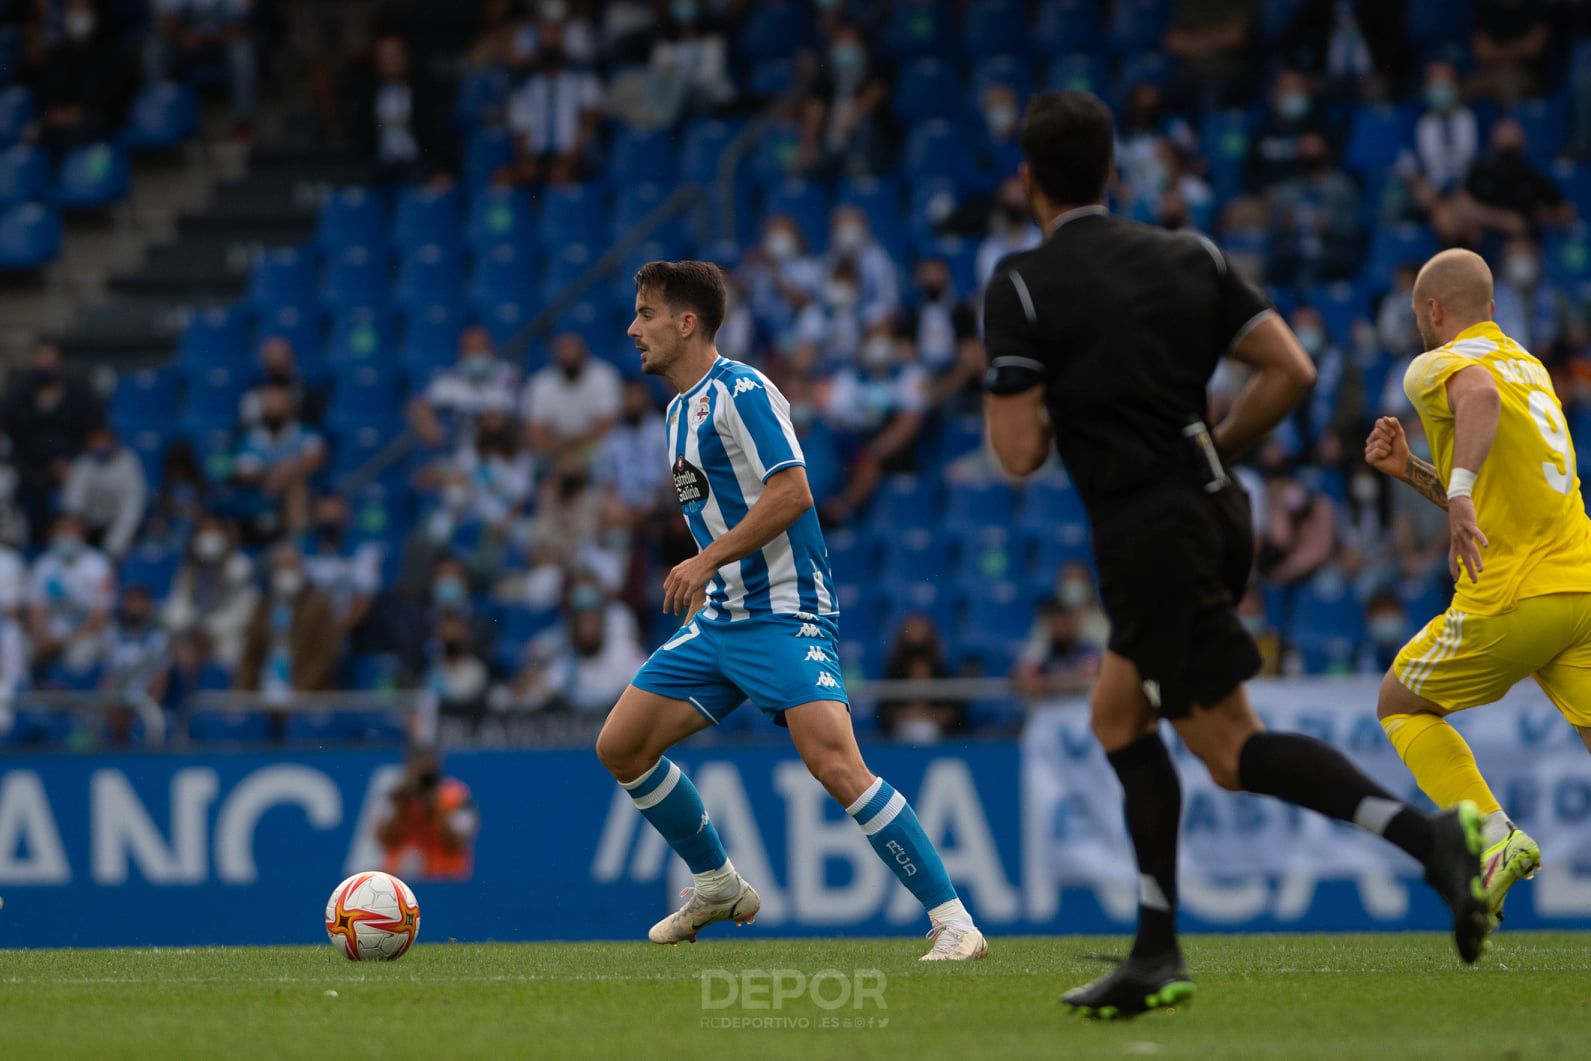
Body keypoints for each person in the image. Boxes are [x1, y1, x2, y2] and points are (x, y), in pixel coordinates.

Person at [981, 91, 1489, 1017]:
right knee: (1117, 719)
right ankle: (1153, 948)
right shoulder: (1189, 253)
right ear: (1112, 173)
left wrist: (1054, 385)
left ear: (1027, 183)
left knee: (1226, 749)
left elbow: (1016, 453)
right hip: (1218, 508)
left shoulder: (1019, 284)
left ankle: (1435, 843)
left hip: (1147, 533)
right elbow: (1289, 369)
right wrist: (1212, 446)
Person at [594, 260, 988, 960]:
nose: (633, 328)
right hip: (721, 619)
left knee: (837, 765)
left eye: (646, 313)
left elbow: (794, 492)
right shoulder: (676, 411)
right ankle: (717, 882)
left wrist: (707, 558)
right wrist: (711, 570)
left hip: (784, 611)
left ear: (686, 322)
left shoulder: (741, 391)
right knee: (620, 745)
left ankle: (953, 920)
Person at [1363, 248, 1591, 928]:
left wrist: (1456, 490)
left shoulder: (1434, 365)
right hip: (1578, 589)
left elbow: (1477, 398)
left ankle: (1494, 839)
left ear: (1431, 310)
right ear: (1490, 308)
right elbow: (1494, 495)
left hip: (1510, 596)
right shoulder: (1530, 366)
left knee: (1399, 701)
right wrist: (1414, 471)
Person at [375, 746, 479, 881]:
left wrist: (434, 809)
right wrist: (402, 808)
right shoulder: (397, 796)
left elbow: (459, 839)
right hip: (402, 881)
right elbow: (381, 837)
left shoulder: (456, 795)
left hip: (446, 878)